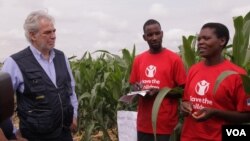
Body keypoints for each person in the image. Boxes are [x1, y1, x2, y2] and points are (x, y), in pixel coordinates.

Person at [2, 10, 78, 141]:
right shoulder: (15, 62)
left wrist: (74, 115)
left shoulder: (61, 57)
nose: (53, 36)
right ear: (32, 35)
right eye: (47, 32)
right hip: (35, 136)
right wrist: (13, 134)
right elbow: (1, 104)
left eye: (54, 31)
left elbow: (70, 90)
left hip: (64, 133)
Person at [180, 22, 250, 141]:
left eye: (206, 38)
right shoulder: (193, 70)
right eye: (199, 39)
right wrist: (184, 106)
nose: (200, 42)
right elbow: (186, 100)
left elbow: (247, 115)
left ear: (222, 41)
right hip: (189, 137)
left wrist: (215, 113)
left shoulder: (237, 75)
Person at [129, 19, 186, 141]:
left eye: (157, 33)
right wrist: (137, 89)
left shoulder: (174, 59)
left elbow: (183, 91)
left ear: (162, 34)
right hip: (143, 124)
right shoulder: (139, 59)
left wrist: (160, 92)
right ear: (145, 37)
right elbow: (133, 85)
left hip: (166, 125)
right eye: (150, 35)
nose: (154, 37)